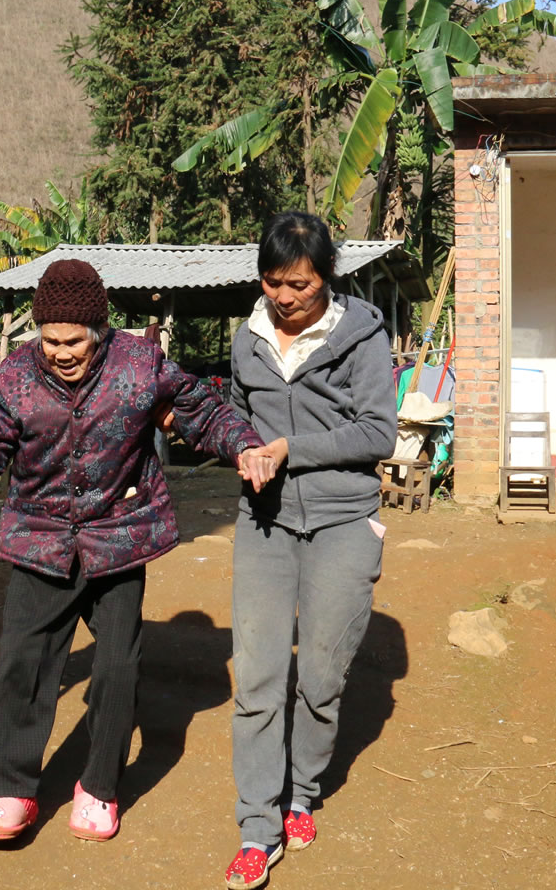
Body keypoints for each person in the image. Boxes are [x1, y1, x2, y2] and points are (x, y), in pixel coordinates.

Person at [0, 258, 278, 845]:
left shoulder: (140, 366)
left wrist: (245, 446)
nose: (60, 352)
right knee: (24, 663)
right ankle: (12, 790)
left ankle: (98, 788)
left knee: (116, 668)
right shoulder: (15, 376)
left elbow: (201, 411)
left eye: (72, 341)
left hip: (118, 537)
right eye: (49, 341)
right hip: (41, 540)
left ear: (99, 331)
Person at [221, 212, 398, 890]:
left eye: (299, 284)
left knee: (321, 682)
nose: (284, 297)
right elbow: (236, 414)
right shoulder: (249, 338)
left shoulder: (361, 336)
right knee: (259, 682)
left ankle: (302, 792)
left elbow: (378, 432)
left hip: (343, 521)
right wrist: (242, 446)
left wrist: (292, 450)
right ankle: (257, 830)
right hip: (263, 523)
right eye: (272, 282)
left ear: (326, 277)